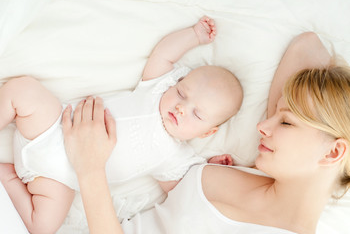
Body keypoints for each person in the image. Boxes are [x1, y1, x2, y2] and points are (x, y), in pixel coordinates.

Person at [62, 31, 350, 234]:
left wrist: (89, 169)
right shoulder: (267, 173)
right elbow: (307, 45)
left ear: (334, 151)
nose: (262, 126)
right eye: (274, 113)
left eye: (286, 123)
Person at [0, 16, 242, 233]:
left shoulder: (175, 159)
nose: (181, 107)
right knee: (23, 90)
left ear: (207, 133)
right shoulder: (155, 90)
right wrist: (194, 36)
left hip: (60, 180)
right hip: (53, 127)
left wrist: (213, 166)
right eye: (181, 93)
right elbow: (163, 54)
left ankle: (7, 176)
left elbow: (186, 188)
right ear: (174, 82)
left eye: (196, 115)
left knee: (43, 226)